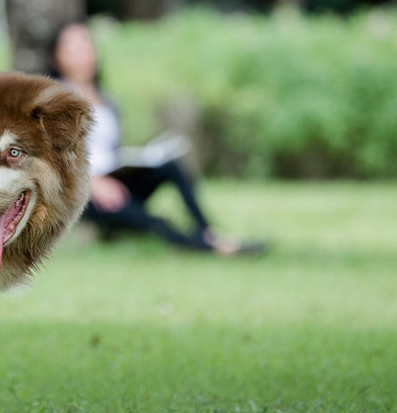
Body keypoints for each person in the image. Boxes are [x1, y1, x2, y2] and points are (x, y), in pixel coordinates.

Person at [48, 20, 267, 256]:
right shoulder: (55, 100)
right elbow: (51, 157)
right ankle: (212, 249)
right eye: (73, 48)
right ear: (57, 57)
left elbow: (108, 150)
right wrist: (93, 182)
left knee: (170, 167)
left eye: (86, 44)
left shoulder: (107, 100)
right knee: (156, 223)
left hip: (116, 180)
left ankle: (208, 232)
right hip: (84, 191)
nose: (83, 54)